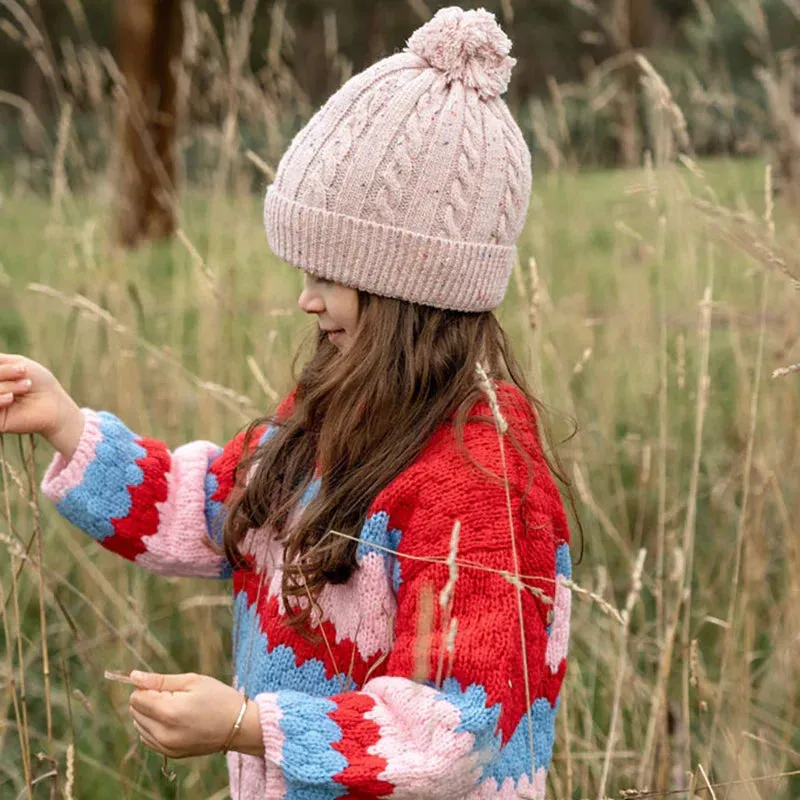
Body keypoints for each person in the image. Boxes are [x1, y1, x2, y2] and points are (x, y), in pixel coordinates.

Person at [0, 7, 575, 798]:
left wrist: (246, 725)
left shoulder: (478, 481)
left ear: (410, 288)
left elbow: (455, 726)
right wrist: (66, 423)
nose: (304, 301)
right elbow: (213, 506)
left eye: (327, 277)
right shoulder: (329, 419)